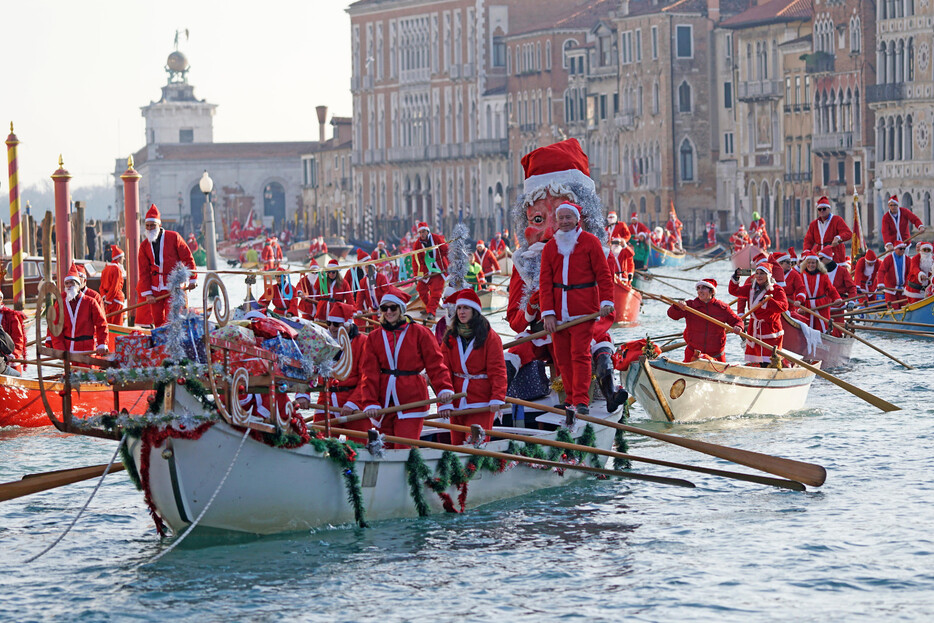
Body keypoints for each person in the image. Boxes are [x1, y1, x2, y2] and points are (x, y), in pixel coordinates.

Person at [342, 287, 455, 448]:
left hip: (412, 399)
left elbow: (436, 365)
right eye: (384, 308)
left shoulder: (420, 332)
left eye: (393, 307)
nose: (388, 312)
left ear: (401, 309)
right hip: (384, 401)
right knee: (385, 448)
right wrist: (370, 402)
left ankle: (410, 471)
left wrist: (444, 390)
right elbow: (369, 373)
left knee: (404, 448)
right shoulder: (374, 337)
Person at [540, 202, 614, 416]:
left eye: (568, 218)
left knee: (579, 355)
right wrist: (548, 313)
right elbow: (545, 282)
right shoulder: (550, 247)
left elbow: (603, 274)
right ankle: (570, 398)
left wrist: (606, 300)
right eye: (560, 218)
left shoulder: (590, 242)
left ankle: (582, 400)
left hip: (583, 311)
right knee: (562, 357)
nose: (564, 222)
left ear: (576, 219)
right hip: (558, 312)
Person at [440, 289, 507, 445]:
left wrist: (497, 397)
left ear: (474, 311)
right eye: (459, 308)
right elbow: (443, 371)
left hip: (481, 402)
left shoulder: (490, 337)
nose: (462, 312)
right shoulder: (450, 336)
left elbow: (498, 371)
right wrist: (444, 402)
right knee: (456, 447)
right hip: (455, 399)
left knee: (477, 447)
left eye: (466, 308)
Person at [293, 302, 370, 436]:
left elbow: (367, 378)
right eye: (329, 323)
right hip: (326, 400)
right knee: (319, 442)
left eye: (336, 324)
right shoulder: (322, 341)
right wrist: (303, 394)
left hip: (354, 403)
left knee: (359, 445)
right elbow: (306, 368)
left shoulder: (363, 342)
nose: (331, 328)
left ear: (348, 324)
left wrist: (353, 403)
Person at [138, 204, 197, 326]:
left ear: (159, 225)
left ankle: (174, 343)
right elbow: (143, 271)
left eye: (152, 226)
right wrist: (148, 293)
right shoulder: (144, 246)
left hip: (174, 287)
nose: (149, 229)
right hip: (155, 289)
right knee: (158, 321)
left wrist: (192, 278)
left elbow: (187, 258)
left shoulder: (174, 237)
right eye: (147, 226)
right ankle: (161, 344)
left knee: (173, 320)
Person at [668, 279, 743, 362]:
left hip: (716, 354)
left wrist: (738, 327)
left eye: (703, 288)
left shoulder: (722, 308)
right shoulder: (689, 306)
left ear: (712, 291)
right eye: (698, 288)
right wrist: (677, 306)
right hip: (693, 353)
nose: (700, 291)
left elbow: (737, 321)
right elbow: (672, 315)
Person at [730, 263, 789, 367]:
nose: (758, 276)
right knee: (756, 360)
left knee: (770, 360)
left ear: (768, 276)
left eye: (762, 273)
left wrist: (769, 302)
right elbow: (734, 291)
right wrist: (736, 278)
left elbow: (784, 306)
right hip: (755, 329)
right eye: (757, 273)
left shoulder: (776, 289)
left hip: (771, 329)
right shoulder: (750, 288)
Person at [48, 264, 109, 355]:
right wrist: (57, 347)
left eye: (72, 282)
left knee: (89, 369)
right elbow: (55, 326)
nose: (69, 286)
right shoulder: (62, 300)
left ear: (80, 282)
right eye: (67, 283)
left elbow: (101, 323)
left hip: (87, 348)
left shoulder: (92, 299)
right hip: (68, 349)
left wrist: (101, 343)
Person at [793, 250, 842, 332]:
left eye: (813, 263)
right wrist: (797, 307)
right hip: (806, 307)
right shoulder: (801, 276)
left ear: (817, 264)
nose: (810, 265)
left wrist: (837, 298)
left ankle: (824, 340)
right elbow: (797, 292)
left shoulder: (823, 276)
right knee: (807, 329)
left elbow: (831, 289)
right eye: (809, 263)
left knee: (822, 328)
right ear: (805, 264)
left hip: (821, 306)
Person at [412, 221, 449, 318]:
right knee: (421, 290)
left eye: (423, 232)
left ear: (428, 232)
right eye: (420, 232)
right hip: (426, 272)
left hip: (438, 270)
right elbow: (416, 260)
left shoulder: (437, 238)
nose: (422, 234)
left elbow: (447, 251)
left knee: (436, 292)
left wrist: (450, 265)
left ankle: (431, 312)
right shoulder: (417, 244)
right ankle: (430, 307)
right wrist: (417, 274)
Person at [804, 196, 852, 264]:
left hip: (835, 255)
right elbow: (808, 240)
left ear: (829, 209)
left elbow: (848, 233)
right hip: (819, 256)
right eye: (819, 209)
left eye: (824, 209)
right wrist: (806, 251)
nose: (822, 211)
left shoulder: (837, 220)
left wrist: (838, 238)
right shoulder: (813, 224)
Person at [877, 241, 912, 309]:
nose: (902, 250)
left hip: (903, 289)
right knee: (893, 308)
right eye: (900, 249)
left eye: (904, 249)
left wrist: (908, 285)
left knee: (905, 307)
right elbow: (881, 271)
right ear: (895, 249)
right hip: (890, 289)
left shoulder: (908, 259)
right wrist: (880, 283)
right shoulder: (888, 259)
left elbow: (910, 273)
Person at [0, 290, 26, 371]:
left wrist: (12, 355)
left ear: (0, 299)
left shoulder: (11, 315)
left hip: (9, 358)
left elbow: (18, 339)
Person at [100, 245, 126, 324]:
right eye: (122, 258)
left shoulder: (106, 268)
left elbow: (101, 287)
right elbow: (115, 287)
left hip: (108, 300)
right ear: (118, 259)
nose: (124, 259)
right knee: (117, 324)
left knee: (108, 324)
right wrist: (108, 300)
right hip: (116, 300)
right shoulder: (117, 269)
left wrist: (105, 298)